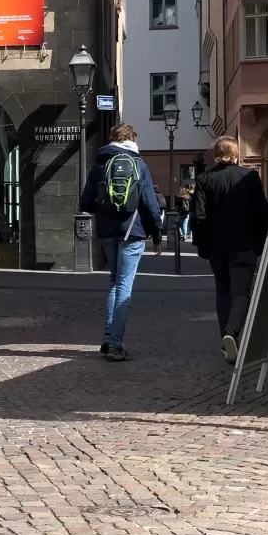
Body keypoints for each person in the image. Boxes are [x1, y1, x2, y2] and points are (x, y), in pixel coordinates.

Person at [79, 124, 164, 362]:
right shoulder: (139, 165)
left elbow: (84, 202)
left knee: (114, 282)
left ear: (112, 139)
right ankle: (116, 345)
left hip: (108, 232)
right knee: (124, 287)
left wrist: (106, 209)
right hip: (133, 232)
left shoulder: (100, 164)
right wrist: (157, 235)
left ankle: (108, 337)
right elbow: (149, 203)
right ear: (132, 140)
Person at [190, 137, 268, 364]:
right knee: (242, 292)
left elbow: (199, 216)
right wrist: (260, 242)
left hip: (216, 246)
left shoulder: (205, 178)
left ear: (216, 153)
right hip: (245, 243)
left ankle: (226, 343)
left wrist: (202, 244)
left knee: (222, 292)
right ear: (236, 153)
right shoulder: (249, 176)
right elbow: (262, 212)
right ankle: (232, 332)